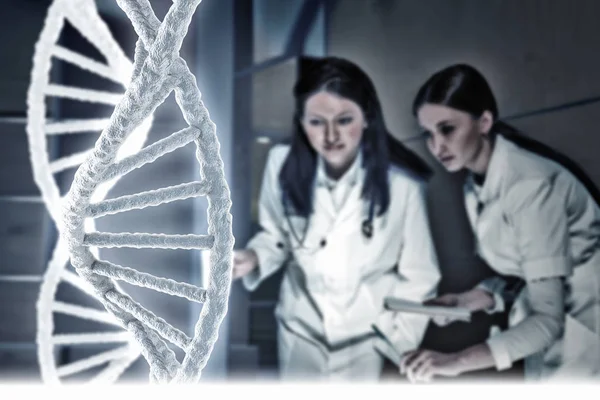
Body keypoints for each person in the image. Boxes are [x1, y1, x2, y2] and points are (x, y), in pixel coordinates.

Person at [232, 56, 442, 381]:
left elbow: (421, 276)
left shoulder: (403, 187)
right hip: (300, 330)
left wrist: (400, 342)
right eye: (316, 122)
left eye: (344, 120)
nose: (330, 135)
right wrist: (254, 256)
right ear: (301, 123)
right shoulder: (280, 164)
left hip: (367, 338)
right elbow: (276, 236)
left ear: (367, 118)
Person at [400, 63, 600, 382]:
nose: (436, 147)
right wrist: (468, 300)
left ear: (484, 121)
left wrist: (456, 361)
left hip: (586, 348)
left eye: (447, 129)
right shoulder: (478, 182)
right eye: (428, 133)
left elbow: (548, 320)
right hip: (556, 349)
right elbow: (527, 273)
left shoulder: (528, 186)